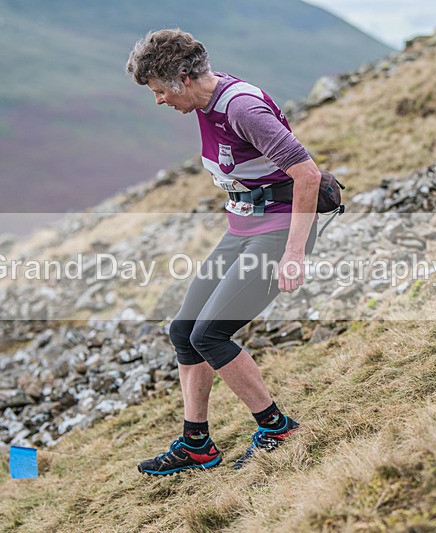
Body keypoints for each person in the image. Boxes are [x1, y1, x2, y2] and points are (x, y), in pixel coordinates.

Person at [126, 28, 321, 475]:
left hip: (277, 232)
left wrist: (293, 254)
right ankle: (197, 444)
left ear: (183, 78)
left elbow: (307, 174)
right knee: (184, 331)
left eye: (159, 91)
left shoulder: (242, 108)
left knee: (209, 336)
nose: (158, 100)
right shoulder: (205, 102)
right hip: (243, 230)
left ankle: (277, 428)